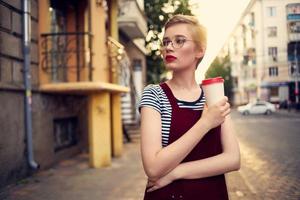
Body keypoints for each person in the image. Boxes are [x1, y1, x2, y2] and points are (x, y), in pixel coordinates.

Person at [139, 14, 240, 200]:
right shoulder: (154, 95)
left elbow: (233, 159)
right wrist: (206, 122)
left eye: (179, 41)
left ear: (199, 50)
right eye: (167, 41)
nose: (169, 46)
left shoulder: (213, 95)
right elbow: (153, 168)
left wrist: (174, 172)